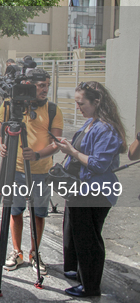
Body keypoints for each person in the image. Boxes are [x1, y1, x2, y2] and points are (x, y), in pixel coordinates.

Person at [54, 81, 127, 298]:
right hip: (82, 189)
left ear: (97, 102)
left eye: (81, 103)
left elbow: (97, 164)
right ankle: (84, 277)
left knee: (89, 241)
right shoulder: (92, 123)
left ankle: (91, 287)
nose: (79, 108)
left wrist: (73, 152)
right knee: (80, 237)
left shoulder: (105, 128)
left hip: (95, 192)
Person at [0, 68, 63, 276]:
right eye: (41, 86)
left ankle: (35, 252)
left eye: (47, 85)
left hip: (41, 171)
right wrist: (0, 146)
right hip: (15, 170)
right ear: (29, 85)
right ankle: (16, 251)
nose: (45, 90)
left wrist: (39, 155)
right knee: (15, 211)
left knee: (39, 213)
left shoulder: (52, 109)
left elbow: (57, 142)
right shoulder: (9, 105)